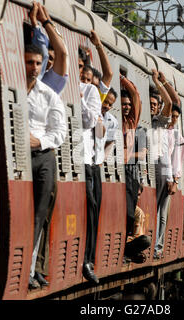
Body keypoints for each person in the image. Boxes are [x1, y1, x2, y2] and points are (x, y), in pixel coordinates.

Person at [25, 44, 67, 290]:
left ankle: (29, 271)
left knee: (39, 216)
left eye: (37, 63)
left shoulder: (49, 95)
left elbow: (59, 132)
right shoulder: (14, 89)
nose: (34, 68)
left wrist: (39, 140)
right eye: (30, 62)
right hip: (17, 157)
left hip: (43, 158)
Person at [80, 60, 105, 284]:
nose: (84, 81)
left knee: (91, 209)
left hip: (90, 162)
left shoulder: (92, 93)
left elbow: (91, 122)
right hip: (79, 160)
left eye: (87, 78)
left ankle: (87, 259)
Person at [149, 70, 176, 259]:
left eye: (154, 105)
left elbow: (171, 103)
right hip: (149, 167)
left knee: (160, 210)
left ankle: (157, 246)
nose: (152, 107)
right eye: (150, 104)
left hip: (162, 169)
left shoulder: (160, 122)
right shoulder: (146, 122)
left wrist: (158, 82)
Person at [121, 75, 142, 241]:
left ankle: (129, 239)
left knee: (130, 207)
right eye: (123, 104)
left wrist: (122, 79)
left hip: (130, 170)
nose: (127, 107)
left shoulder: (131, 122)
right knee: (126, 209)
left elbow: (135, 96)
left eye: (128, 105)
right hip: (120, 169)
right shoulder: (119, 122)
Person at [29, 2, 68, 95]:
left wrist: (43, 22)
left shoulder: (54, 80)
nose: (48, 61)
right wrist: (47, 21)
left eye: (51, 59)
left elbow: (62, 53)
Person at [124, 185, 152, 263]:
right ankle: (133, 255)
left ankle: (129, 254)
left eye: (139, 195)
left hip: (126, 243)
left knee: (146, 240)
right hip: (121, 242)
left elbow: (137, 235)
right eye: (135, 194)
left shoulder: (138, 212)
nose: (137, 197)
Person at [101, 88, 119, 160]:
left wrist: (102, 159)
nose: (107, 106)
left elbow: (110, 142)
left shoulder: (112, 122)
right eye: (105, 102)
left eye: (110, 105)